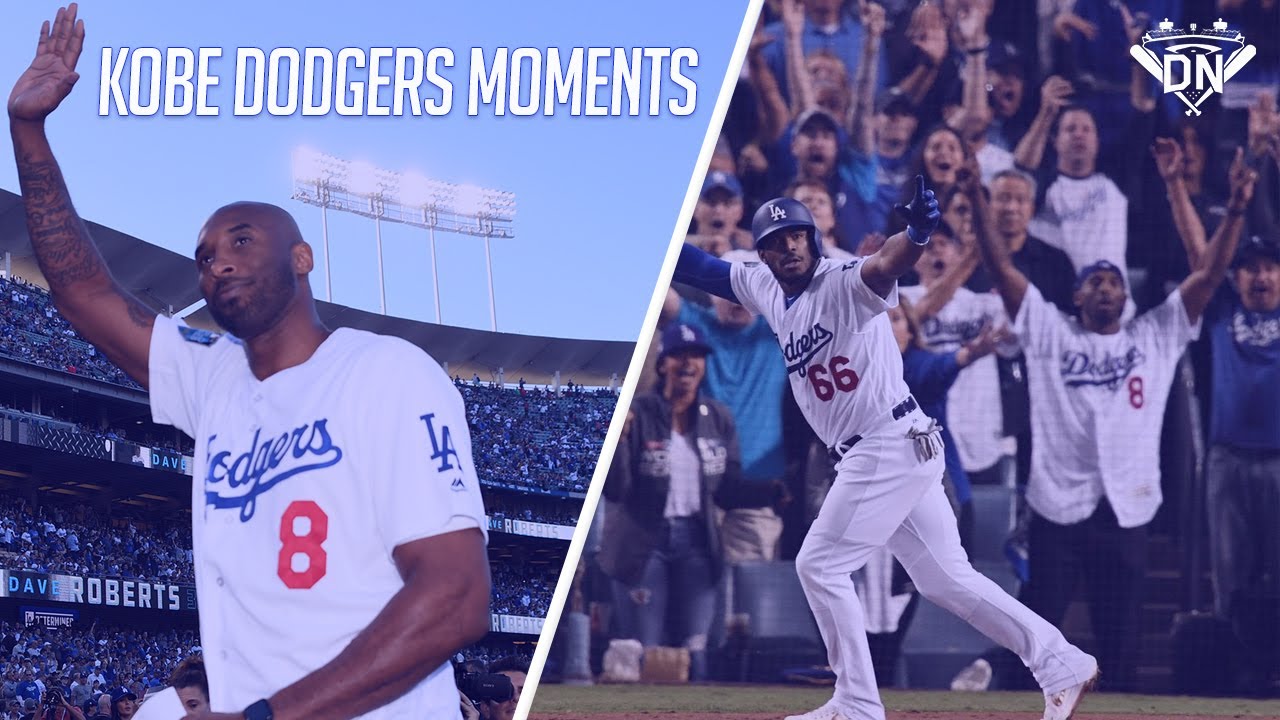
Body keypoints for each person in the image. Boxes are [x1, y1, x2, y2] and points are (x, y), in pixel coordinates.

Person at [8, 7, 491, 720]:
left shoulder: (388, 372)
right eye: (205, 256)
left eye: (240, 241)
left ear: (302, 258)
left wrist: (271, 716)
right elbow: (84, 294)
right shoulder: (215, 382)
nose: (218, 261)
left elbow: (457, 596)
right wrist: (28, 133)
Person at [672, 180, 1097, 720]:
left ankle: (856, 703)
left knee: (819, 565)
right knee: (945, 577)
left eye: (798, 234)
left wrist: (917, 233)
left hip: (885, 441)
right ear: (763, 254)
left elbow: (885, 264)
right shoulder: (766, 288)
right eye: (777, 241)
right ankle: (1061, 662)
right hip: (889, 446)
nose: (791, 247)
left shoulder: (844, 279)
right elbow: (702, 271)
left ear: (814, 238)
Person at [973, 146, 1258, 692]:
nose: (1106, 288)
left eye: (1115, 283)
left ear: (1127, 298)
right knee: (1041, 637)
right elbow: (999, 265)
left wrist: (1237, 210)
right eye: (1095, 282)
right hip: (1057, 509)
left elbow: (1210, 273)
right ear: (1077, 296)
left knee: (1121, 644)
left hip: (1125, 509)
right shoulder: (1049, 330)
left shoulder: (1154, 335)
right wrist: (973, 199)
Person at [596, 322, 775, 681]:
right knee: (647, 646)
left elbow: (727, 488)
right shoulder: (639, 412)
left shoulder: (718, 417)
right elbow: (616, 490)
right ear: (663, 364)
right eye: (680, 356)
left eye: (697, 356)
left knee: (696, 645)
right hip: (645, 542)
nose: (689, 364)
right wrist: (616, 443)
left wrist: (772, 492)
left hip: (698, 541)